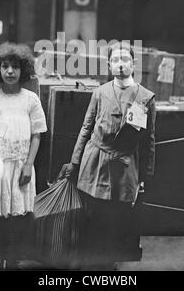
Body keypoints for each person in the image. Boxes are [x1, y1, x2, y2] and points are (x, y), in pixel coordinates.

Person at [61, 42, 156, 269]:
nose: (120, 65)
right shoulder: (100, 93)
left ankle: (108, 264)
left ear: (133, 64)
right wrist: (75, 162)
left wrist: (144, 176)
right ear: (109, 64)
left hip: (124, 165)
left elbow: (148, 140)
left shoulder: (145, 98)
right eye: (115, 60)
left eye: (125, 60)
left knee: (116, 218)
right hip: (95, 161)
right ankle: (87, 261)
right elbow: (86, 128)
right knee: (90, 213)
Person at [0, 42, 47, 270]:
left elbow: (37, 135)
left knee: (16, 216)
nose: (10, 71)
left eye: (15, 67)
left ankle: (12, 258)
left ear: (23, 70)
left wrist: (28, 165)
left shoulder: (30, 99)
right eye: (5, 66)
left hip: (21, 165)